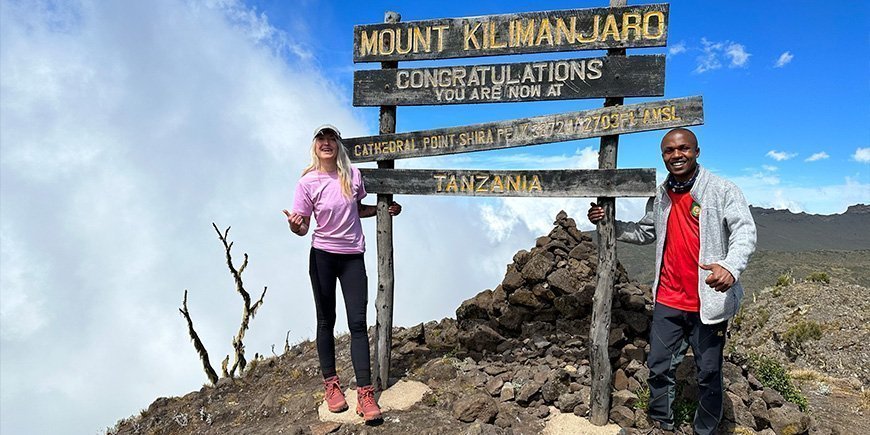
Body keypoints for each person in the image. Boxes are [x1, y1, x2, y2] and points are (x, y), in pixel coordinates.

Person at [587, 128, 756, 434]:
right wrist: (608, 222)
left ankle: (704, 429)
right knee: (659, 365)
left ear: (697, 152)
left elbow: (745, 232)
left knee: (708, 371)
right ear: (663, 155)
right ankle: (661, 422)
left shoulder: (722, 190)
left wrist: (730, 266)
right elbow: (645, 232)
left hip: (709, 301)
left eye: (684, 149)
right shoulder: (661, 195)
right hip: (667, 299)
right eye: (669, 151)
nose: (676, 155)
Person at [283, 124, 401, 422]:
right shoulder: (307, 182)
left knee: (358, 324)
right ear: (315, 146)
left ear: (338, 145)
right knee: (326, 321)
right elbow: (303, 228)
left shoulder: (353, 175)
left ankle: (365, 393)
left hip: (352, 258)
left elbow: (356, 210)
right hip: (322, 256)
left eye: (331, 138)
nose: (326, 143)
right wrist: (295, 225)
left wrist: (383, 208)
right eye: (321, 139)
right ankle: (332, 386)